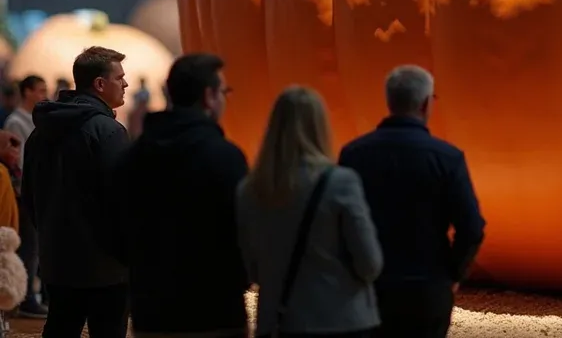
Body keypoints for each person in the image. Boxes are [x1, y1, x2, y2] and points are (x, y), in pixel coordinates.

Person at [339, 66, 484, 338]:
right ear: (426, 103)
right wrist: (453, 273)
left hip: (371, 288)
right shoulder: (447, 158)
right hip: (427, 289)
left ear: (388, 102)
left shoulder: (354, 154)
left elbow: (338, 222)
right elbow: (472, 227)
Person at [112, 53, 248, 337]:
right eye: (224, 92)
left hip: (152, 313)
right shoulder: (225, 157)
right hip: (216, 312)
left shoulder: (132, 157)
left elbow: (113, 233)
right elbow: (244, 234)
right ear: (209, 97)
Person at [237, 86, 383, 338]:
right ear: (320, 127)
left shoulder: (249, 190)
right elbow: (370, 264)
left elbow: (252, 269)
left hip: (279, 322)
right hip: (342, 321)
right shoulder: (341, 182)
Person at [22, 46, 130, 338]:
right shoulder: (108, 131)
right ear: (99, 84)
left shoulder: (40, 131)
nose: (126, 84)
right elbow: (123, 201)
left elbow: (29, 196)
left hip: (57, 261)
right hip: (106, 267)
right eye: (119, 77)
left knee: (59, 328)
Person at [4, 74, 47, 318]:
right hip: (22, 194)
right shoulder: (16, 122)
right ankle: (26, 297)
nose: (43, 95)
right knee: (28, 248)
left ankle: (30, 295)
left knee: (35, 248)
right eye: (39, 90)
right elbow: (18, 162)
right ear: (27, 92)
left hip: (33, 192)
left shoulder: (32, 120)